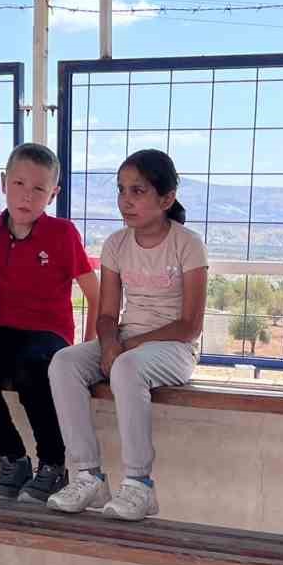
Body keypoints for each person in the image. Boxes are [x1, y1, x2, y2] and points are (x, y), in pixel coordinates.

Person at [46, 149, 207, 521]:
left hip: (174, 348)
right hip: (126, 342)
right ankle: (88, 476)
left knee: (126, 368)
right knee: (64, 362)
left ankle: (139, 484)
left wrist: (122, 348)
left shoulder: (187, 244)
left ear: (166, 199)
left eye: (138, 191)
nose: (126, 201)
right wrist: (109, 343)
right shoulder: (116, 243)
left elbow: (190, 325)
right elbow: (105, 313)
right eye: (122, 190)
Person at [0, 143, 99, 502]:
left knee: (31, 368)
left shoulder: (62, 233)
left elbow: (95, 294)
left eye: (39, 189)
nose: (27, 196)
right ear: (4, 182)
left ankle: (53, 464)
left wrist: (87, 349)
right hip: (4, 328)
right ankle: (13, 459)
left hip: (49, 335)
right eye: (19, 184)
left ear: (53, 194)